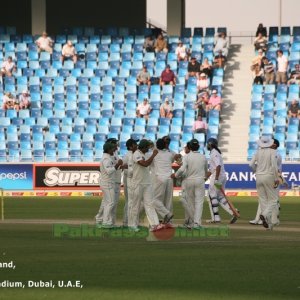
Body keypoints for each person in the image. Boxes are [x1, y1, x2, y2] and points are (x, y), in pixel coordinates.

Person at [172, 139, 208, 229]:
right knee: (199, 203)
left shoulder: (187, 157)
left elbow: (181, 169)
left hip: (189, 181)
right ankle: (197, 224)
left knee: (190, 203)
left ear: (190, 147)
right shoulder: (203, 157)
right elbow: (206, 171)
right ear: (198, 147)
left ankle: (192, 223)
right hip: (200, 181)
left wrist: (175, 175)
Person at [130, 139, 163, 232]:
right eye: (147, 147)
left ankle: (154, 225)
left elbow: (152, 151)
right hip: (138, 183)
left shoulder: (144, 154)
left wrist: (153, 150)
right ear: (143, 147)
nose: (149, 149)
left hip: (147, 183)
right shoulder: (136, 154)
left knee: (150, 204)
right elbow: (145, 164)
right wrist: (153, 154)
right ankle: (133, 225)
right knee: (135, 205)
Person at [249, 139, 283, 226]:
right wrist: (276, 178)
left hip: (259, 177)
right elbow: (275, 167)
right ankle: (264, 217)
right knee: (273, 200)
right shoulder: (273, 152)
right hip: (270, 177)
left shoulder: (258, 152)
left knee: (264, 200)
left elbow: (250, 165)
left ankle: (268, 221)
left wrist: (256, 171)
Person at [206, 138, 238, 224]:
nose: (207, 146)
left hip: (218, 177)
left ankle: (215, 218)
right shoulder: (214, 153)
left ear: (210, 144)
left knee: (211, 195)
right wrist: (204, 178)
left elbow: (218, 166)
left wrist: (216, 179)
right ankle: (233, 212)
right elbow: (212, 169)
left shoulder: (214, 153)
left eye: (207, 144)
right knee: (220, 197)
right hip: (221, 176)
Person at [152, 138, 180, 225]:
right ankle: (169, 222)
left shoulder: (154, 154)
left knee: (154, 200)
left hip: (160, 179)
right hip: (169, 179)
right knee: (168, 201)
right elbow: (178, 160)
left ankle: (167, 214)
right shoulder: (170, 154)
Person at [95, 142, 123, 228]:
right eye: (112, 149)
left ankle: (107, 222)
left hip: (108, 182)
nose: (114, 150)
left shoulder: (107, 157)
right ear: (108, 149)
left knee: (108, 202)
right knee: (110, 202)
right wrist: (118, 164)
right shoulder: (106, 159)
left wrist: (120, 166)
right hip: (107, 183)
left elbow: (112, 168)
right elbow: (109, 171)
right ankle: (106, 222)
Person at [122, 139, 138, 227]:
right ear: (130, 146)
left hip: (134, 179)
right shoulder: (127, 155)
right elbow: (123, 167)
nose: (137, 144)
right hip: (129, 179)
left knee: (133, 201)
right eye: (135, 143)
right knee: (129, 201)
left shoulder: (135, 154)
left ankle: (129, 222)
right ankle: (126, 222)